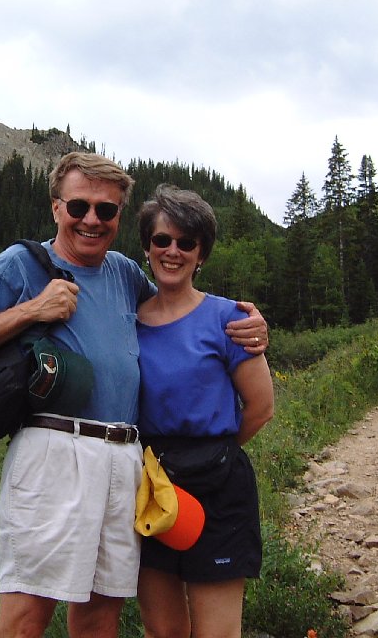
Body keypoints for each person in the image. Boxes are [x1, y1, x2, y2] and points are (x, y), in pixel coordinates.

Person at [0, 153, 268, 638]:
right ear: (56, 207)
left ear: (117, 218)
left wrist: (250, 327)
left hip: (125, 462)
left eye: (106, 210)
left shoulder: (124, 273)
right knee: (26, 617)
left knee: (98, 616)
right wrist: (33, 310)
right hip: (55, 452)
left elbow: (177, 309)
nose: (91, 220)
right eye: (79, 207)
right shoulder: (21, 264)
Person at [134, 184, 274, 638]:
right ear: (147, 247)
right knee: (163, 630)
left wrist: (216, 454)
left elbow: (261, 407)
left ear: (201, 255)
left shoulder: (230, 319)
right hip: (153, 486)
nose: (172, 251)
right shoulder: (128, 320)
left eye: (186, 242)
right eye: (162, 240)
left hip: (219, 491)